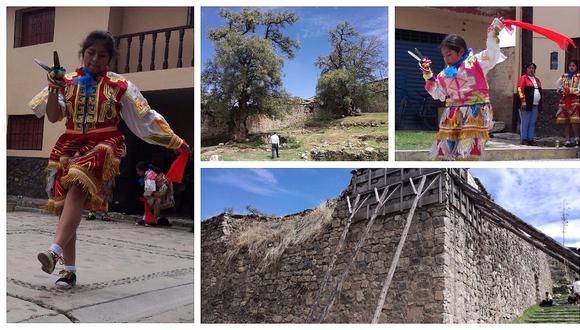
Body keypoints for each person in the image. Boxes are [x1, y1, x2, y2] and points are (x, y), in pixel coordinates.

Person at [29, 31, 190, 289]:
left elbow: (145, 119)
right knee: (66, 205)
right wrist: (52, 88)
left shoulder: (120, 85)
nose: (95, 59)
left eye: (102, 55)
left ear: (110, 59)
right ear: (83, 54)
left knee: (79, 183)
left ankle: (53, 251)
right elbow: (52, 116)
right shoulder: (66, 80)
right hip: (69, 145)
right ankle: (68, 271)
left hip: (105, 144)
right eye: (91, 53)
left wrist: (175, 141)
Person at [421, 18, 506, 160]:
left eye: (449, 54)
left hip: (475, 112)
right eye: (444, 56)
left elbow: (492, 54)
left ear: (460, 51)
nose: (447, 59)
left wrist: (493, 33)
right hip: (452, 115)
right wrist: (428, 75)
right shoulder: (443, 75)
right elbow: (438, 94)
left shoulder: (476, 62)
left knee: (468, 150)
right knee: (445, 151)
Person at [136, 161, 174, 226]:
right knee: (150, 199)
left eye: (138, 171)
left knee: (154, 201)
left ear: (142, 170)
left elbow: (149, 192)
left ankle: (153, 220)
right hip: (163, 189)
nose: (137, 173)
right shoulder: (149, 172)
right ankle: (147, 218)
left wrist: (146, 196)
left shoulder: (149, 176)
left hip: (165, 189)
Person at [517, 63, 543, 145]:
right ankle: (524, 139)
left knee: (532, 122)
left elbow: (540, 91)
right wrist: (523, 101)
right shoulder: (523, 78)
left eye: (533, 68)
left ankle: (530, 139)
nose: (531, 69)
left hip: (535, 105)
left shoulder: (537, 80)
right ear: (526, 69)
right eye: (529, 68)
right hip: (526, 104)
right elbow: (520, 90)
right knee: (525, 122)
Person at [556, 60, 580, 147]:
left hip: (575, 102)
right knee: (566, 121)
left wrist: (569, 90)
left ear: (576, 67)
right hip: (565, 102)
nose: (571, 67)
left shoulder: (579, 77)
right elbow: (558, 86)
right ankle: (567, 140)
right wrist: (560, 90)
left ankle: (577, 139)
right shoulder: (564, 76)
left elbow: (579, 90)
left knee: (575, 121)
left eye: (573, 65)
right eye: (570, 65)